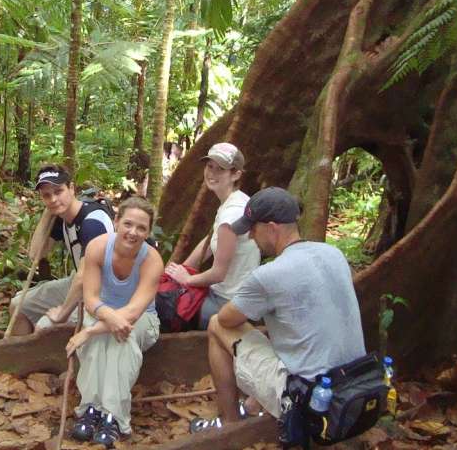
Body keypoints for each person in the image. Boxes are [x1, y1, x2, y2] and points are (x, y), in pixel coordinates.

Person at [190, 187, 366, 431]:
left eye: (253, 229)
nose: (250, 237)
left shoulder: (269, 275)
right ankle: (251, 406)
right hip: (354, 386)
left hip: (310, 399)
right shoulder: (333, 254)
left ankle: (228, 423)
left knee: (216, 324)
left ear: (272, 228)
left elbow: (227, 319)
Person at [66, 197, 163, 447]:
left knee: (122, 336)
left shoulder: (152, 260)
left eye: (141, 228)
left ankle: (114, 416)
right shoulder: (98, 247)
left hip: (141, 321)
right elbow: (91, 299)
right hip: (103, 312)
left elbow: (132, 313)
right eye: (128, 224)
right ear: (116, 222)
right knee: (103, 337)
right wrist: (102, 323)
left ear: (148, 231)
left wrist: (89, 332)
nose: (133, 232)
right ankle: (90, 408)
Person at [9, 165, 115, 336]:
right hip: (78, 281)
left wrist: (62, 313)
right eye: (46, 195)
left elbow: (84, 276)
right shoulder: (62, 216)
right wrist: (47, 213)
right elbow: (36, 254)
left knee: (46, 327)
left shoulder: (92, 222)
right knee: (18, 306)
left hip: (101, 291)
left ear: (72, 189)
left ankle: (48, 360)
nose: (53, 199)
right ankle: (18, 359)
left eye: (58, 192)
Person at [164, 143, 259, 329]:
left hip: (227, 301)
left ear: (236, 174)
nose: (212, 173)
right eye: (210, 166)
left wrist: (187, 279)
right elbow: (208, 243)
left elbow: (218, 274)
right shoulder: (234, 202)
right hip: (229, 295)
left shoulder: (232, 214)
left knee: (169, 314)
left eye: (220, 169)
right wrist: (180, 270)